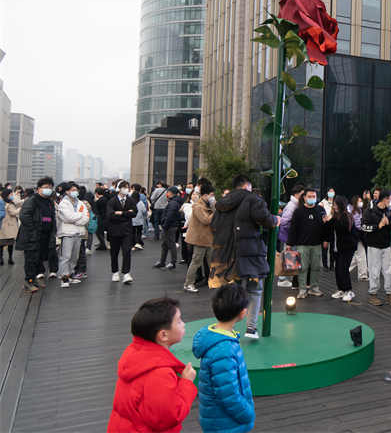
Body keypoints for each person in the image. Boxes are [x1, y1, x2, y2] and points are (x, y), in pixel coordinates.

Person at [108, 297, 197, 433]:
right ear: (163, 335)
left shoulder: (135, 352)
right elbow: (168, 417)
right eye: (179, 321)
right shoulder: (159, 373)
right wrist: (187, 383)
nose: (184, 324)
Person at [212, 175, 280, 339]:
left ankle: (225, 327)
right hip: (250, 254)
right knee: (255, 290)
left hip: (227, 254)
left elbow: (214, 225)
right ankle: (251, 328)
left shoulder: (223, 203)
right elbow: (266, 220)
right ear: (247, 186)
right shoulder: (253, 200)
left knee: (231, 292)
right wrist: (275, 219)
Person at [192, 285, 255, 433]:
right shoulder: (224, 350)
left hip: (216, 418)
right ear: (243, 313)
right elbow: (229, 395)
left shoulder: (217, 336)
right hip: (226, 423)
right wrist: (247, 414)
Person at [16, 177, 56, 292]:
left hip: (44, 236)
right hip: (31, 236)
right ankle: (28, 281)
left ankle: (33, 280)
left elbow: (52, 218)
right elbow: (24, 215)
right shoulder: (32, 200)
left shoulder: (49, 202)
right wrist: (33, 230)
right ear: (38, 189)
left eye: (50, 187)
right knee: (30, 260)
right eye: (45, 187)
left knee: (38, 259)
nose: (48, 189)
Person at [288, 188, 329, 299]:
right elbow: (293, 229)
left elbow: (326, 227)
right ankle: (302, 290)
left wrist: (326, 239)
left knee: (316, 267)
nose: (312, 198)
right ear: (304, 197)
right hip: (302, 244)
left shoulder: (320, 210)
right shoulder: (298, 211)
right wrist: (289, 244)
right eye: (309, 196)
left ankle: (314, 288)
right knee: (303, 268)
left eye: (314, 196)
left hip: (317, 244)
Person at [361, 190, 391, 306]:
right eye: (390, 199)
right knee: (374, 271)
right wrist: (378, 226)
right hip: (373, 246)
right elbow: (364, 227)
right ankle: (373, 294)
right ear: (385, 199)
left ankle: (390, 294)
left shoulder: (390, 211)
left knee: (388, 271)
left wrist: (388, 224)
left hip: (386, 245)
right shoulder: (370, 211)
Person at [183, 181, 216, 293]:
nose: (213, 198)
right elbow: (206, 220)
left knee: (211, 261)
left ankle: (214, 281)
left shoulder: (207, 205)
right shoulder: (198, 206)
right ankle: (188, 283)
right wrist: (215, 210)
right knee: (196, 261)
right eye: (211, 195)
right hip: (200, 239)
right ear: (205, 195)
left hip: (208, 239)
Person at [56, 182, 89, 288]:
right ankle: (64, 278)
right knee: (66, 256)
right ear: (67, 191)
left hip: (78, 233)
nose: (75, 192)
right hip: (67, 233)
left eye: (76, 190)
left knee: (75, 257)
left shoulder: (80, 203)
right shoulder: (63, 203)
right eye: (72, 190)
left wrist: (76, 218)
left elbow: (86, 218)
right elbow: (68, 217)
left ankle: (70, 275)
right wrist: (79, 216)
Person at [106, 180, 138, 284]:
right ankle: (115, 272)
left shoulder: (130, 200)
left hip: (127, 231)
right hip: (114, 231)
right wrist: (126, 214)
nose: (126, 189)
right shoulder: (112, 201)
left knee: (127, 251)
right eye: (124, 187)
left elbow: (134, 213)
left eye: (127, 187)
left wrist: (121, 213)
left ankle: (126, 273)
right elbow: (110, 215)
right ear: (119, 189)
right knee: (114, 253)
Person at [329, 195, 358, 302]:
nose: (334, 206)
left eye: (335, 204)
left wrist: (330, 220)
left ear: (340, 205)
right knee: (338, 269)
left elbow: (343, 228)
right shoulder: (336, 216)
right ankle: (341, 289)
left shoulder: (346, 216)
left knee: (343, 269)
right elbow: (329, 227)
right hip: (338, 248)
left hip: (347, 247)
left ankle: (349, 290)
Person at [276, 183, 304, 288]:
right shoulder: (292, 206)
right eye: (302, 194)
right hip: (288, 237)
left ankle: (286, 278)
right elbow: (284, 222)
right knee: (287, 257)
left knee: (290, 257)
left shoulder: (295, 205)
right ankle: (282, 278)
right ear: (297, 194)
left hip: (290, 237)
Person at [155, 187, 183, 270]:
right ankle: (162, 261)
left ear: (171, 193)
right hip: (171, 225)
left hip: (170, 226)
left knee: (170, 244)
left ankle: (172, 262)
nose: (166, 194)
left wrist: (165, 225)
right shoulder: (174, 201)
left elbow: (170, 215)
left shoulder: (173, 203)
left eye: (167, 192)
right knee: (165, 244)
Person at [0, 188, 20, 265]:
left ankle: (1, 259)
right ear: (7, 195)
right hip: (9, 226)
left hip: (3, 225)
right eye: (11, 194)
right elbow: (13, 212)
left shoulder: (3, 202)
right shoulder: (8, 204)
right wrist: (20, 209)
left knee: (1, 244)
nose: (12, 196)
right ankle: (10, 258)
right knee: (10, 244)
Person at [132, 184, 148, 251]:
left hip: (132, 220)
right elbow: (144, 211)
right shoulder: (140, 203)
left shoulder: (130, 202)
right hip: (139, 221)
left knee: (132, 233)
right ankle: (138, 243)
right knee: (139, 233)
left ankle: (133, 243)